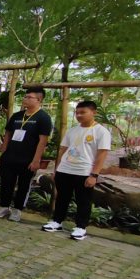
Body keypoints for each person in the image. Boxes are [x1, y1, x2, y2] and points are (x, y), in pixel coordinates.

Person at [41, 100, 111, 240]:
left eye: (83, 112)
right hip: (65, 170)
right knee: (62, 197)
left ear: (93, 112)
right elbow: (63, 150)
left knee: (83, 200)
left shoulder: (101, 132)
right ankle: (57, 221)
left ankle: (80, 227)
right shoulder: (72, 130)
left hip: (84, 172)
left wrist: (94, 175)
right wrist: (57, 169)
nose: (79, 115)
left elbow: (102, 154)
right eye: (77, 113)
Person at [0, 86, 53, 222]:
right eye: (25, 97)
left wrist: (36, 160)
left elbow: (43, 141)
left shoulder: (43, 118)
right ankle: (4, 206)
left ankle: (17, 209)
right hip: (10, 156)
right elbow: (8, 133)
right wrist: (4, 148)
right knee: (6, 182)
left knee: (24, 185)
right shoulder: (17, 116)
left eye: (29, 97)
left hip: (28, 158)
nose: (25, 99)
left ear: (39, 99)